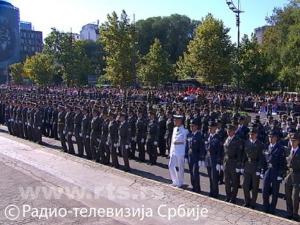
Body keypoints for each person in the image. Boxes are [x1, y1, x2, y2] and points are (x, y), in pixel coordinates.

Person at [262, 130, 285, 214]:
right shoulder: (266, 147)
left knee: (275, 191)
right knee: (265, 190)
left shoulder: (280, 148)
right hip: (268, 170)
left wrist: (280, 174)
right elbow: (264, 160)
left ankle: (272, 208)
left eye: (272, 137)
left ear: (276, 138)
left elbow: (282, 162)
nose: (270, 139)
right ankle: (265, 206)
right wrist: (262, 170)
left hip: (276, 170)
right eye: (269, 137)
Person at [242, 127, 265, 209]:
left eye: (253, 134)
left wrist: (259, 169)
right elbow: (244, 155)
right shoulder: (247, 142)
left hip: (255, 165)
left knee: (255, 187)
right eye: (250, 134)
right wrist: (242, 165)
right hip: (247, 164)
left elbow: (261, 157)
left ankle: (253, 203)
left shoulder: (260, 144)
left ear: (256, 135)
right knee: (245, 185)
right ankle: (247, 201)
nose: (251, 136)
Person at [223, 124, 243, 204]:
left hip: (234, 162)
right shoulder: (226, 139)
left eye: (230, 131)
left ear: (234, 131)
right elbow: (224, 152)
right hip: (227, 162)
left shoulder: (238, 140)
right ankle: (228, 196)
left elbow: (239, 153)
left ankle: (233, 197)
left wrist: (238, 165)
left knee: (235, 181)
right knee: (227, 180)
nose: (228, 132)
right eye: (228, 131)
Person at [185, 119, 204, 193]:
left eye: (193, 126)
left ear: (196, 127)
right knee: (191, 172)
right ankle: (193, 186)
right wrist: (186, 156)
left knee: (195, 172)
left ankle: (197, 187)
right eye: (190, 126)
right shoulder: (189, 134)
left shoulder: (199, 135)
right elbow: (187, 146)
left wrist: (201, 158)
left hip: (196, 155)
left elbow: (201, 147)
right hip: (190, 155)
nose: (191, 127)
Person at [284, 133, 300, 221]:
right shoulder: (288, 151)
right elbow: (285, 164)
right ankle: (289, 212)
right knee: (288, 195)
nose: (293, 143)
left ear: (298, 141)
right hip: (289, 175)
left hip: (297, 175)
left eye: (294, 141)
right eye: (291, 141)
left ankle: (295, 213)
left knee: (295, 196)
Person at [169, 115, 188, 188]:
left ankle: (180, 182)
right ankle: (175, 181)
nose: (174, 121)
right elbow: (172, 141)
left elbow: (185, 143)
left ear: (180, 121)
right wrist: (171, 151)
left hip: (180, 150)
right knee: (171, 165)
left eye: (176, 120)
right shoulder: (174, 129)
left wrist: (185, 153)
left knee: (180, 167)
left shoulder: (184, 131)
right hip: (174, 149)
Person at [204, 120, 223, 198]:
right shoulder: (207, 136)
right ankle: (211, 191)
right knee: (209, 176)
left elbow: (219, 150)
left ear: (215, 128)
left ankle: (215, 192)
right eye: (209, 127)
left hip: (214, 158)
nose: (210, 129)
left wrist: (219, 162)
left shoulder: (218, 137)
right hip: (208, 158)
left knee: (214, 177)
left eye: (211, 127)